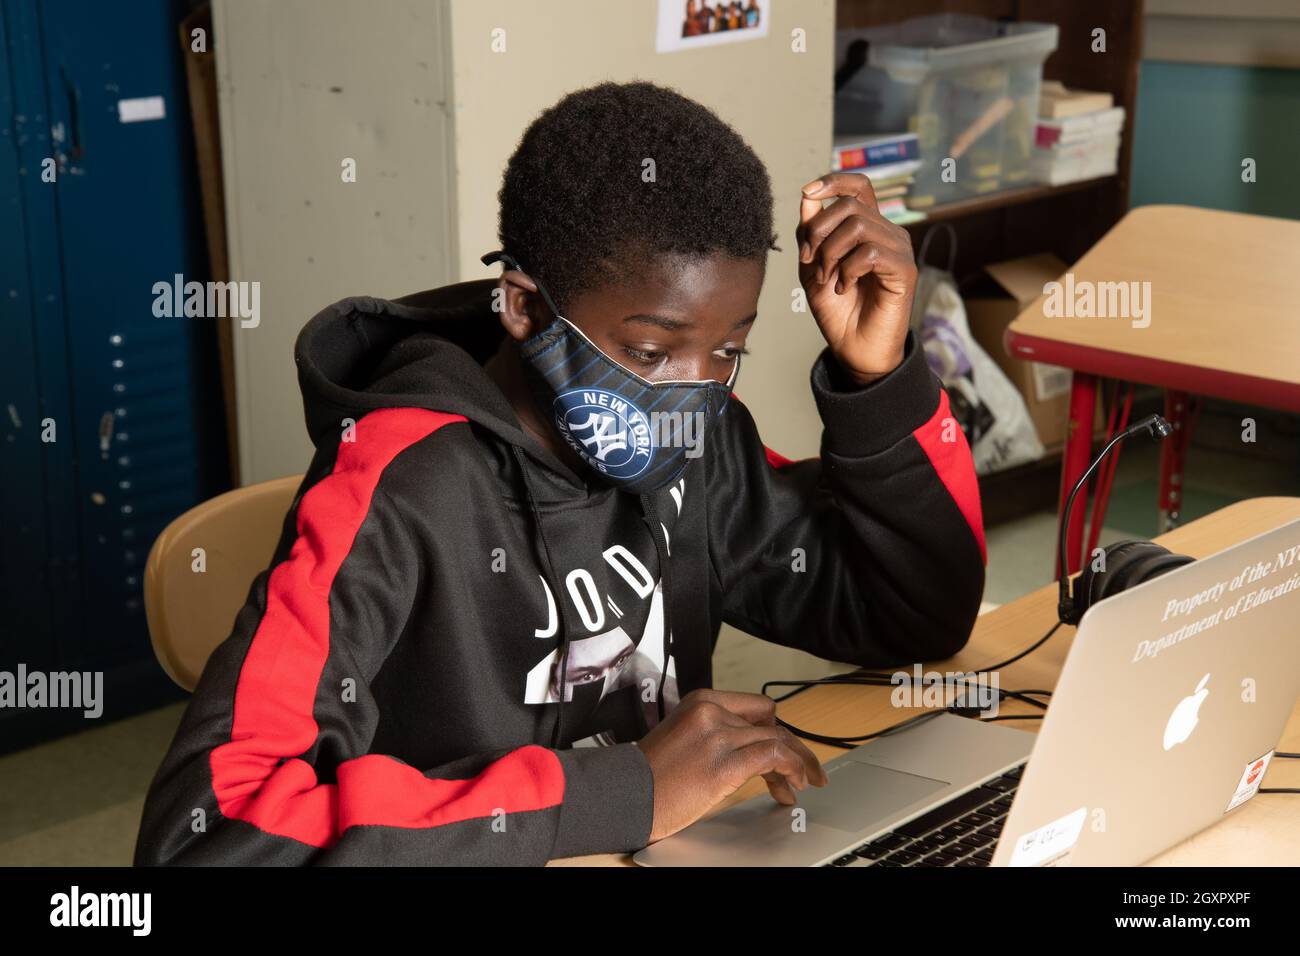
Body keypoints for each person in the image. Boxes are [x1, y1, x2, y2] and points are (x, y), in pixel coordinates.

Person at [133, 80, 985, 866]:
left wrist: (879, 383)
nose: (693, 390)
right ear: (524, 306)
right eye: (649, 351)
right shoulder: (395, 485)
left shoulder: (703, 439)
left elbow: (916, 618)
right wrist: (623, 792)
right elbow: (210, 830)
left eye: (729, 349)